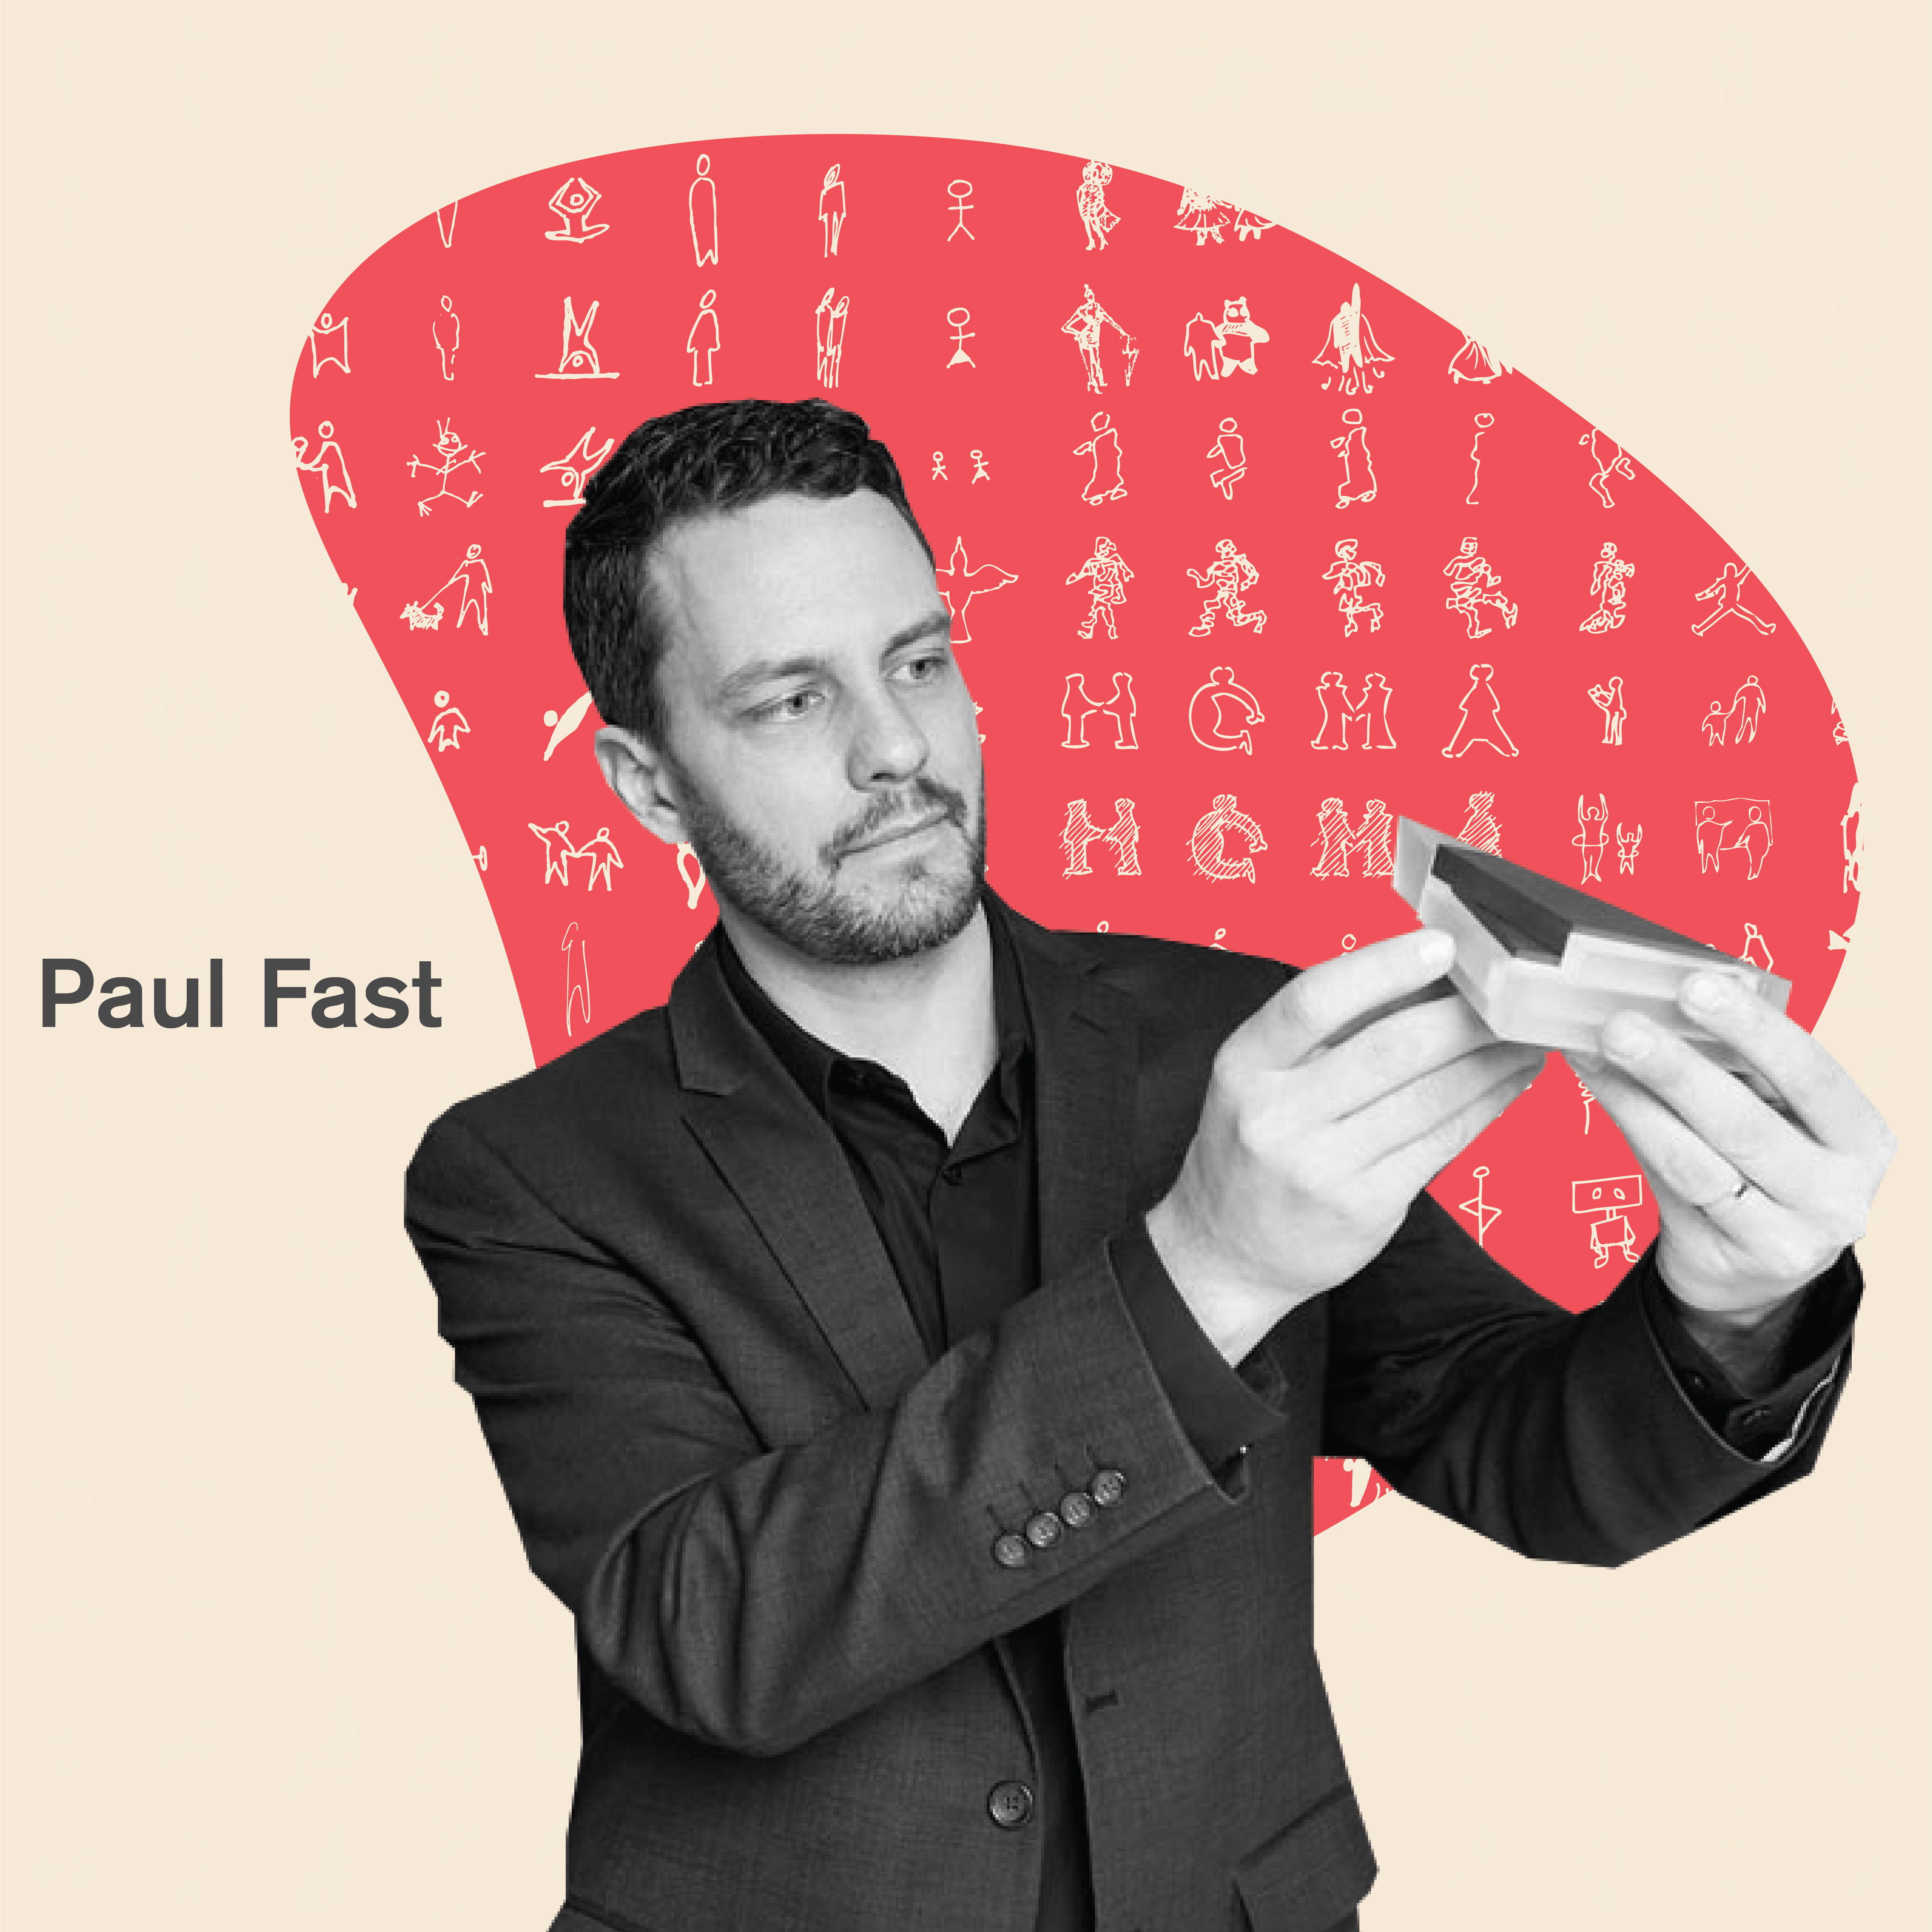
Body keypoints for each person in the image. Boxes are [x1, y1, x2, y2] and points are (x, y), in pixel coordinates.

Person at [404, 398, 1891, 1932]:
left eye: (919, 661)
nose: (898, 746)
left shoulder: (1226, 1039)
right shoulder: (529, 1174)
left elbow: (1517, 1445)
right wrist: (1212, 1268)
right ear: (650, 786)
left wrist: (1731, 1305)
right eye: (791, 701)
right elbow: (715, 1627)